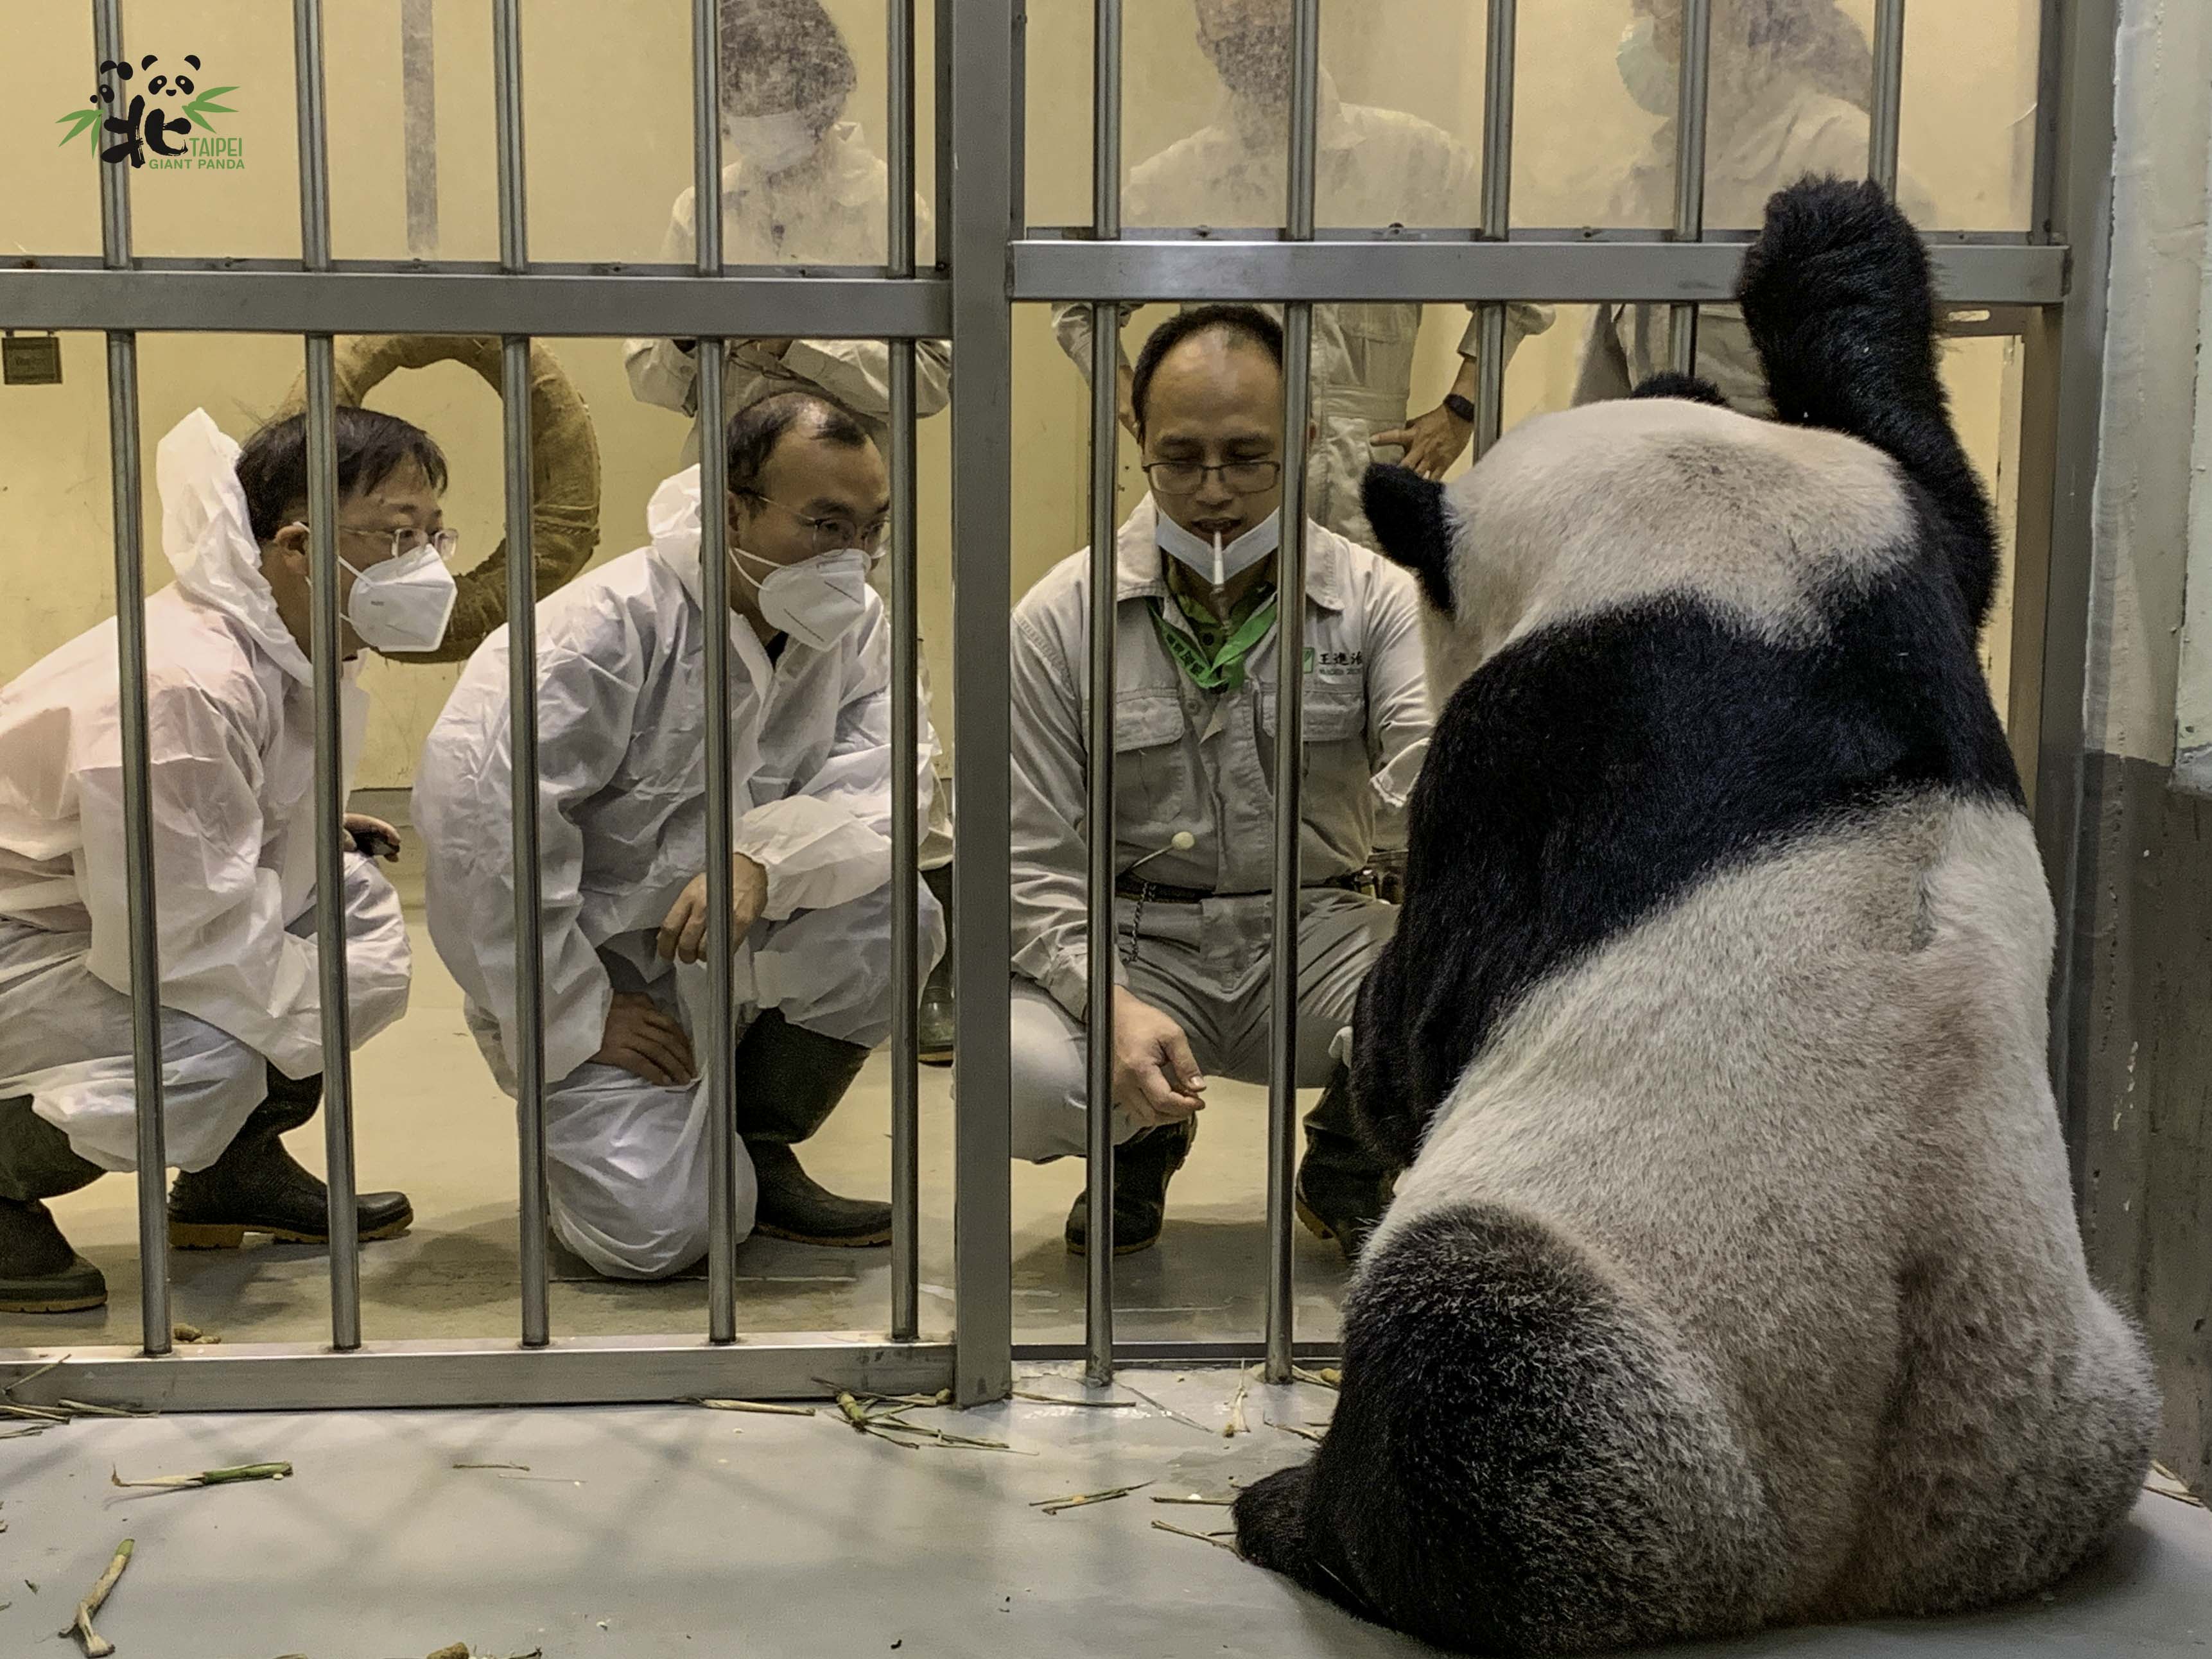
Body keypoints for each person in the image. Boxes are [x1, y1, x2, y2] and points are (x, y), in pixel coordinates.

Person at [415, 391, 944, 1280]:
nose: (853, 560)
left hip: (742, 927)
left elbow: (892, 780)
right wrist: (571, 1011)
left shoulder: (856, 629)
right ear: (732, 507)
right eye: (824, 525)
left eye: (871, 527)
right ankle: (596, 1126)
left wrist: (766, 858)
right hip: (605, 972)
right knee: (654, 1238)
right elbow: (483, 838)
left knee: (899, 918)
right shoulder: (598, 633)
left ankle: (757, 1141)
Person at [0, 406, 450, 1313]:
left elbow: (203, 843)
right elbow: (177, 939)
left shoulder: (274, 640)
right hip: (28, 941)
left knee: (339, 912)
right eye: (400, 537)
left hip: (84, 914)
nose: (429, 565)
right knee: (218, 1039)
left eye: (436, 534)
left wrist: (299, 831)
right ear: (297, 545)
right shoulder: (185, 682)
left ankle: (229, 1173)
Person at [1009, 306, 1432, 1262]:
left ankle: (1349, 1154)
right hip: (1135, 937)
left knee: (1488, 1008)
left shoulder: (1379, 601)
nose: (1214, 494)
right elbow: (1028, 863)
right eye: (1181, 458)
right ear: (1137, 443)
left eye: (1249, 457)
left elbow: (1428, 769)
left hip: (1318, 929)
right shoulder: (1059, 618)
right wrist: (1106, 1001)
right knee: (1019, 1080)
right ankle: (1141, 1140)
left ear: (1307, 442)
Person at [624, 0, 960, 1067]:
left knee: (870, 715)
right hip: (728, 507)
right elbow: (648, 371)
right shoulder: (703, 205)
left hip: (836, 512)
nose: (757, 112)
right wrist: (692, 340)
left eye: (777, 89)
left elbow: (934, 376)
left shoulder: (887, 209)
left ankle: (923, 961)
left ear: (826, 90)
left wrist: (799, 342)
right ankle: (700, 932)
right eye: (740, 93)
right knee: (708, 713)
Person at [1052, 0, 1552, 541]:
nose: (1251, 23)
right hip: (1222, 496)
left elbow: (1521, 276)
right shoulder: (1175, 180)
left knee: (1367, 620)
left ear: (1309, 16)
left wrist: (1460, 410)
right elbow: (1079, 304)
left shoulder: (1410, 157)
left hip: (1363, 497)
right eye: (1226, 10)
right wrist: (1138, 411)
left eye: (1265, 4)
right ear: (1202, 34)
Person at [1575, 0, 1942, 413]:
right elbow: (1601, 398)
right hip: (1658, 469)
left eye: (1664, 8)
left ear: (1744, 11)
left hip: (1790, 473)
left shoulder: (1841, 154)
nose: (1649, 31)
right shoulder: (1647, 178)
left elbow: (1890, 385)